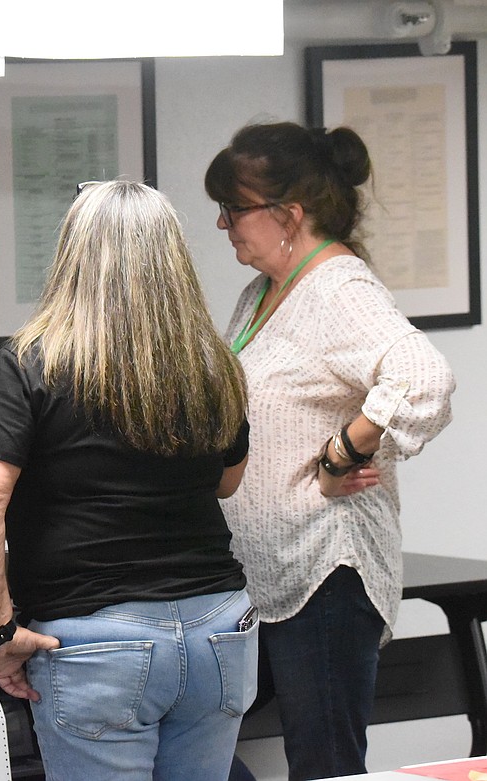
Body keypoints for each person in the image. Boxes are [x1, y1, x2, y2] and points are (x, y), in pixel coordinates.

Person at [0, 179, 258, 780]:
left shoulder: (32, 362)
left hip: (96, 640)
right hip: (219, 628)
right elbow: (225, 482)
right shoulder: (213, 363)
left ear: (72, 255)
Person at [205, 121, 456, 780]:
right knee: (195, 741)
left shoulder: (339, 287)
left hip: (327, 569)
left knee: (325, 764)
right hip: (264, 572)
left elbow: (423, 378)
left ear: (288, 214)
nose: (225, 223)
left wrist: (344, 450)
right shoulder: (258, 293)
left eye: (235, 209)